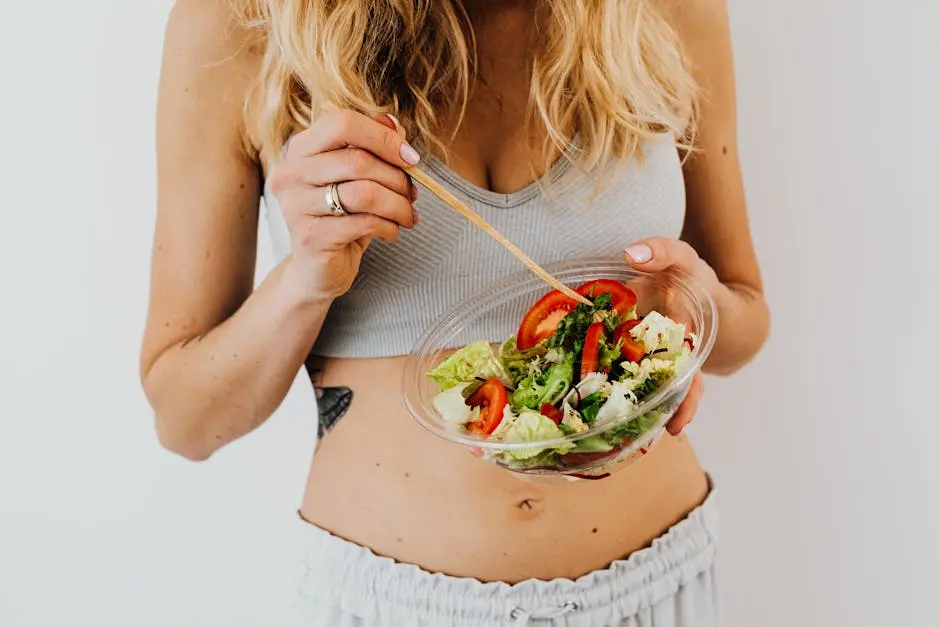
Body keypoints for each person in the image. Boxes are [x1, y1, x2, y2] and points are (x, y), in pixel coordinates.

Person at [140, 0, 769, 624]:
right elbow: (187, 422)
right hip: (391, 606)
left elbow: (743, 324)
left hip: (656, 586)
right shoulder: (237, 24)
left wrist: (693, 307)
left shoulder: (668, 9)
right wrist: (304, 280)